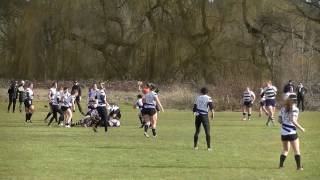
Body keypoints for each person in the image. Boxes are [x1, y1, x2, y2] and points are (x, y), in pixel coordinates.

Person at [278, 94, 305, 170]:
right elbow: (293, 120)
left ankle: (281, 166)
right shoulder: (295, 109)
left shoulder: (283, 108)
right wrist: (301, 128)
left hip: (283, 132)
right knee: (296, 150)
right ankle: (299, 167)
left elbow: (279, 120)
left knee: (285, 150)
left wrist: (284, 121)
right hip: (292, 132)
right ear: (295, 100)